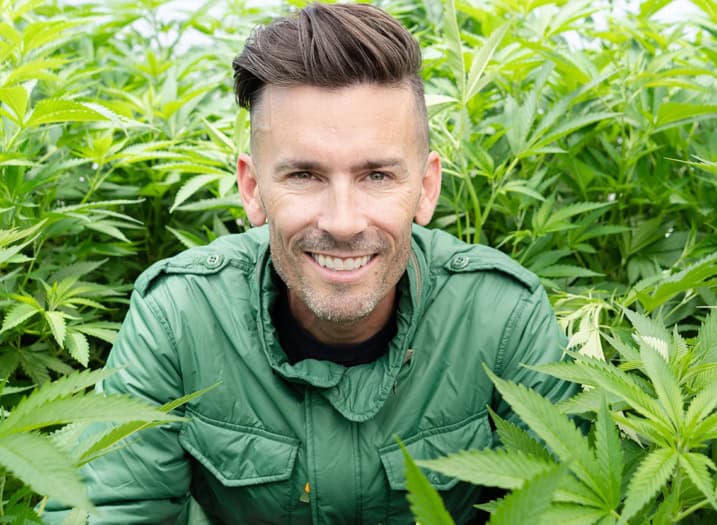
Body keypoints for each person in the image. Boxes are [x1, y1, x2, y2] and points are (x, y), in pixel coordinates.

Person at [43, 3, 574, 523]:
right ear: (252, 189)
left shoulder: (503, 318)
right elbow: (108, 509)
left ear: (426, 187)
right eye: (304, 175)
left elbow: (567, 505)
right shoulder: (180, 316)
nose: (343, 222)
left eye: (377, 176)